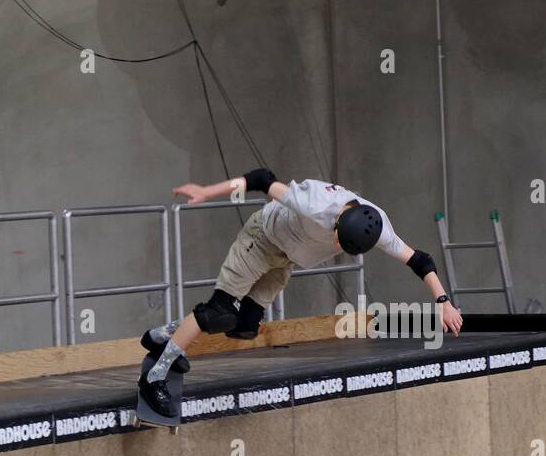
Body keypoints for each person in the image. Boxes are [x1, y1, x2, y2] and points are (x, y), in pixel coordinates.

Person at [138, 169, 464, 415]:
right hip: (261, 239)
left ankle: (162, 335)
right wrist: (207, 191)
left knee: (244, 327)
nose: (335, 245)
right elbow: (262, 178)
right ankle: (155, 375)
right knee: (218, 313)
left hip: (286, 259)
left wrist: (444, 302)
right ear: (337, 219)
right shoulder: (314, 204)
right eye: (337, 238)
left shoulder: (377, 227)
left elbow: (420, 260)